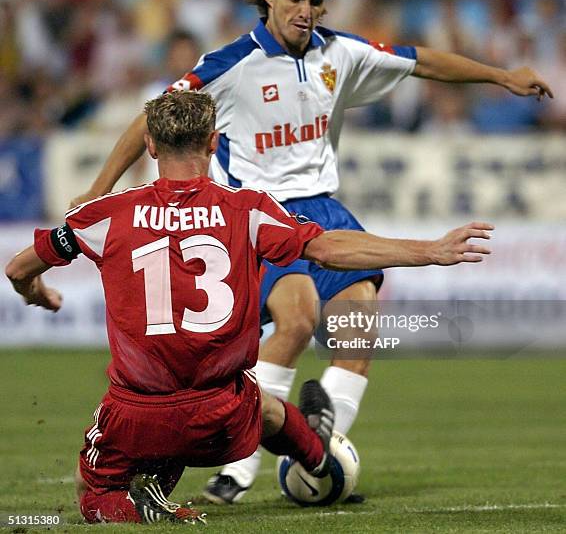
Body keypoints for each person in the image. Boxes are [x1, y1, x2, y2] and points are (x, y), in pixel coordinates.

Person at [68, 0, 536, 503]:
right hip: (254, 216)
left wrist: (500, 75)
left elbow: (420, 60)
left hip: (325, 209)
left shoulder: (340, 52)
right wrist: (99, 189)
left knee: (358, 328)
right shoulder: (229, 65)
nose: (306, 11)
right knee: (295, 320)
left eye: (317, 1)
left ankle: (321, 456)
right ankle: (236, 472)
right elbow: (154, 118)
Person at [6, 90, 493, 523]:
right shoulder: (249, 209)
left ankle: (140, 508)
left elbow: (18, 269)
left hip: (138, 416)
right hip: (224, 418)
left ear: (151, 146)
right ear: (214, 143)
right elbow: (328, 248)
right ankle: (321, 464)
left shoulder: (104, 215)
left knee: (92, 492)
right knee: (269, 409)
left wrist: (37, 293)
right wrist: (430, 250)